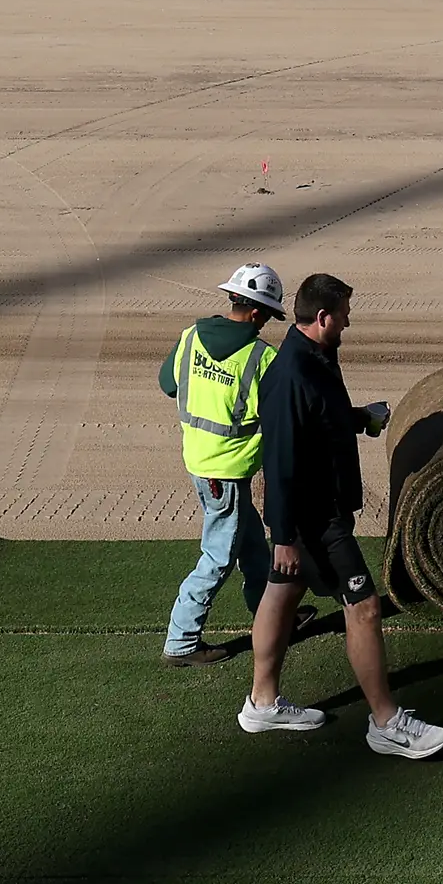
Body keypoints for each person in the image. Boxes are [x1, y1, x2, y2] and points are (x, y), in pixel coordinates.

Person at [239, 273, 443, 759]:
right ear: (324, 317)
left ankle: (262, 702)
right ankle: (386, 723)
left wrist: (358, 418)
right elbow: (281, 460)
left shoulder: (316, 358)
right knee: (365, 606)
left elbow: (320, 418)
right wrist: (286, 536)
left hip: (311, 514)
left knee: (282, 590)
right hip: (314, 518)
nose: (349, 323)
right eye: (345, 315)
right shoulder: (292, 373)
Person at [159, 262, 283, 667]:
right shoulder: (262, 357)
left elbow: (168, 384)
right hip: (226, 472)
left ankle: (270, 614)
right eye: (267, 313)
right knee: (217, 558)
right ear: (255, 311)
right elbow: (282, 413)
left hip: (199, 460)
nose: (266, 321)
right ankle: (181, 640)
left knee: (250, 545)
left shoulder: (190, 337)